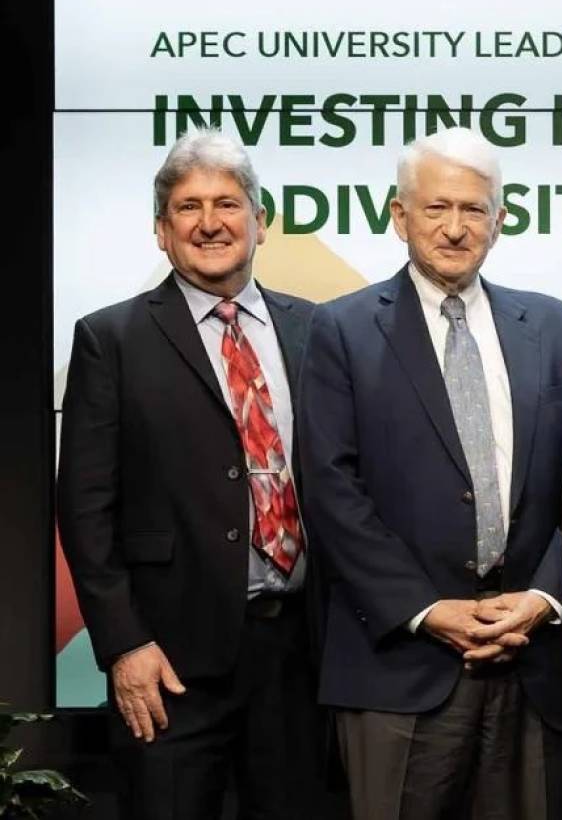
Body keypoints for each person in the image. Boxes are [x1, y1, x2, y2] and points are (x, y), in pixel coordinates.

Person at [299, 127, 562, 818]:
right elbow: (331, 490)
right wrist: (427, 611)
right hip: (399, 664)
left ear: (501, 218)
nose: (455, 228)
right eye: (436, 209)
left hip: (532, 660)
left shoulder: (558, 329)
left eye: (473, 209)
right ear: (400, 216)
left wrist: (543, 599)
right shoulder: (339, 331)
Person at [57, 128, 327, 818]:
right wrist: (124, 645)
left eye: (229, 204)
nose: (210, 223)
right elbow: (86, 511)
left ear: (261, 223)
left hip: (301, 655)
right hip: (168, 664)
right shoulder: (109, 338)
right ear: (160, 230)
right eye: (188, 207)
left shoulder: (318, 331)